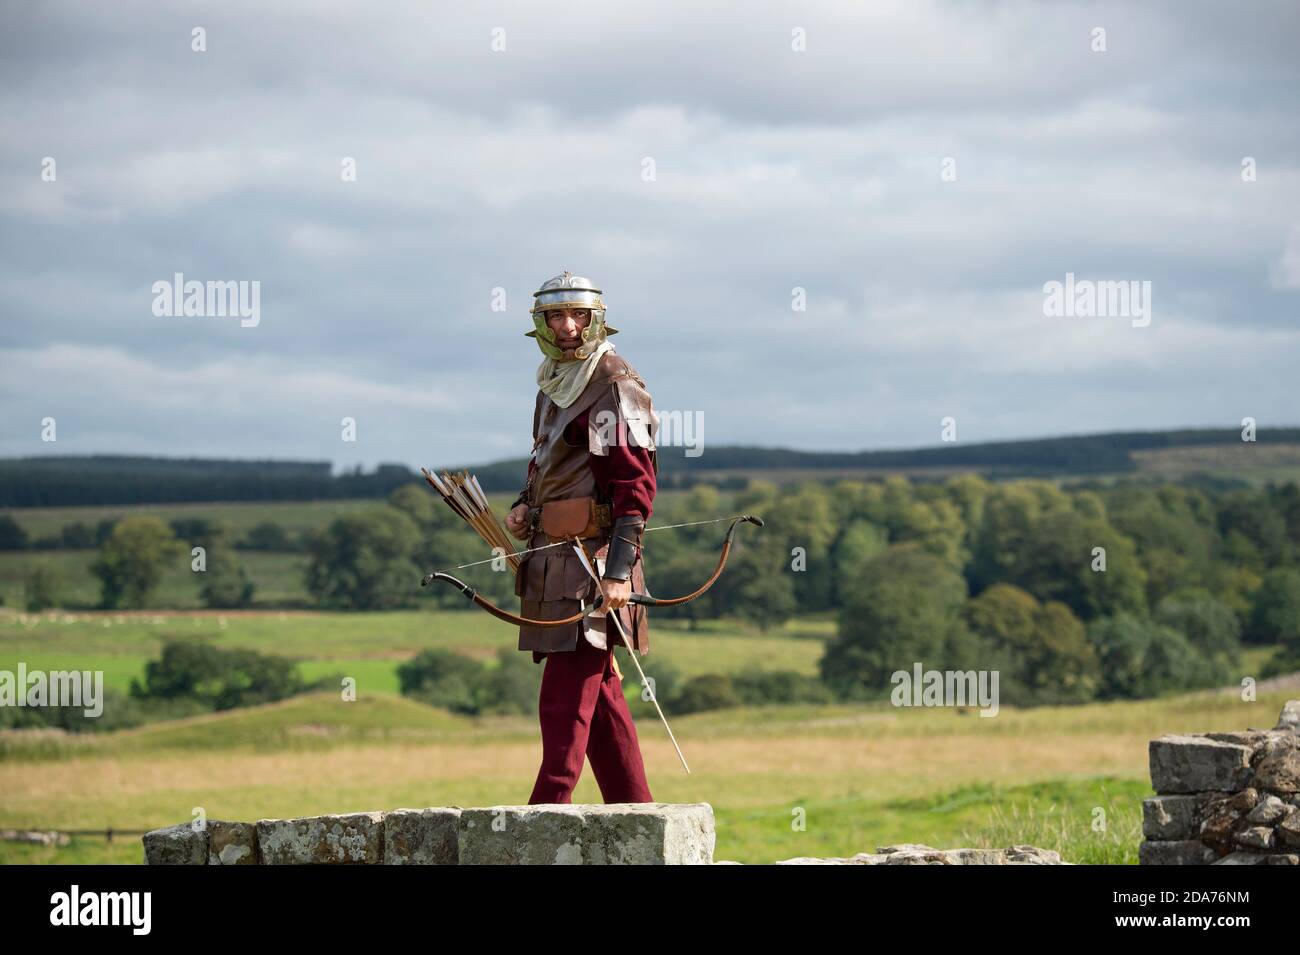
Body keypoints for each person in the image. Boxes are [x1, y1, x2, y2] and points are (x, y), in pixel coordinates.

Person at [504, 271, 660, 805]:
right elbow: (544, 460)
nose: (567, 327)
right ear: (541, 324)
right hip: (554, 559)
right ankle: (638, 817)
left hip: (594, 564)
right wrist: (526, 506)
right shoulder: (553, 380)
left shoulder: (614, 383)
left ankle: (544, 816)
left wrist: (618, 572)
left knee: (566, 698)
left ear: (597, 319)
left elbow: (635, 487)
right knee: (601, 701)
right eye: (555, 316)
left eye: (578, 316)